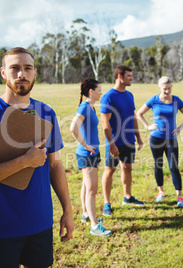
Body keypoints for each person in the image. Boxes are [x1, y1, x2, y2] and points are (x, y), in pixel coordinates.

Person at [0, 47, 74, 267]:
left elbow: (55, 165)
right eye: (15, 68)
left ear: (35, 73)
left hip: (40, 224)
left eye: (27, 68)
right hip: (3, 227)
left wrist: (67, 210)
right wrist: (23, 162)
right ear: (3, 73)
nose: (22, 74)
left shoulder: (46, 112)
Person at [136, 76, 183, 207]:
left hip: (171, 139)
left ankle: (180, 197)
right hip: (156, 138)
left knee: (174, 166)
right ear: (159, 87)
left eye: (169, 88)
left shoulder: (176, 100)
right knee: (158, 164)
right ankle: (161, 192)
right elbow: (139, 113)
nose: (167, 91)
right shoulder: (154, 100)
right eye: (165, 89)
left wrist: (180, 127)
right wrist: (147, 126)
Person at [100, 65, 144, 216]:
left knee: (128, 167)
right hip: (114, 142)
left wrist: (138, 137)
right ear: (120, 77)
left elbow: (132, 117)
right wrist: (111, 144)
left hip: (129, 140)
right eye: (129, 76)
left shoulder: (129, 95)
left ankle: (128, 197)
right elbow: (105, 123)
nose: (132, 78)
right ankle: (107, 203)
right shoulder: (108, 97)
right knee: (110, 170)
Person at [70, 79, 112, 236]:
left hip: (92, 152)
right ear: (91, 92)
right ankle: (94, 226)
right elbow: (73, 127)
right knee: (92, 190)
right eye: (99, 89)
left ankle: (86, 214)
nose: (101, 92)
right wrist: (86, 145)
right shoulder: (84, 107)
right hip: (87, 153)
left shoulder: (90, 107)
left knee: (86, 186)